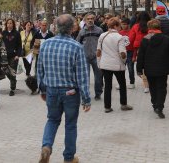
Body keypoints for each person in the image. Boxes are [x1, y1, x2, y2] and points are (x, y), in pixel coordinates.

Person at [37, 14, 91, 163]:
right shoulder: (76, 47)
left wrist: (42, 89)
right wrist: (86, 99)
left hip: (51, 90)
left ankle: (46, 147)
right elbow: (82, 76)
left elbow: (39, 70)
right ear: (72, 28)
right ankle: (68, 158)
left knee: (52, 120)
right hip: (70, 92)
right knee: (70, 124)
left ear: (55, 27)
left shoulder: (45, 44)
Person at [97, 17, 133, 113]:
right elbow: (122, 53)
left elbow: (98, 51)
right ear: (116, 26)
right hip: (117, 65)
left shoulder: (102, 35)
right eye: (119, 25)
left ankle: (107, 107)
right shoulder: (119, 37)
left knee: (108, 86)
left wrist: (99, 63)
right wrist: (124, 61)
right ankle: (123, 104)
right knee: (122, 84)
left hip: (105, 64)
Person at [137, 19, 169, 119]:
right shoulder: (166, 39)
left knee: (152, 87)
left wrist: (139, 69)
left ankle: (155, 105)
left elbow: (140, 55)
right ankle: (160, 106)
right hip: (163, 68)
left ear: (149, 28)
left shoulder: (145, 39)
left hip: (149, 68)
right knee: (162, 87)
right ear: (159, 27)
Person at [76, 13, 104, 101]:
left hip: (97, 57)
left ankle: (98, 93)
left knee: (98, 77)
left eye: (92, 18)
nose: (90, 20)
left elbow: (103, 42)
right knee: (85, 77)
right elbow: (78, 43)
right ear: (85, 20)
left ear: (94, 19)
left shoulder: (99, 30)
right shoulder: (82, 31)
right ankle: (85, 94)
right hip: (85, 57)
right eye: (88, 19)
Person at [129, 11, 151, 93]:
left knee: (142, 66)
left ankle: (146, 86)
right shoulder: (150, 25)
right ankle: (151, 82)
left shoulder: (135, 26)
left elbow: (130, 39)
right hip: (151, 47)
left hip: (139, 48)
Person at [2, 18, 22, 96]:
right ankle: (13, 80)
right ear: (6, 25)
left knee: (13, 72)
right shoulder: (3, 33)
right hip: (4, 56)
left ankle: (12, 89)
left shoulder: (17, 33)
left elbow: (19, 46)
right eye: (8, 23)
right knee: (5, 71)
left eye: (11, 23)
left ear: (13, 24)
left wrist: (18, 55)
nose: (9, 25)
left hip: (14, 57)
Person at [119, 18, 135, 89]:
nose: (123, 26)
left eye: (125, 24)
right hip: (122, 52)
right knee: (121, 68)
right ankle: (121, 83)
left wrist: (135, 55)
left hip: (130, 52)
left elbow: (134, 44)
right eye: (122, 24)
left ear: (128, 25)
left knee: (130, 68)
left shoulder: (132, 32)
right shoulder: (119, 33)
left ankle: (132, 82)